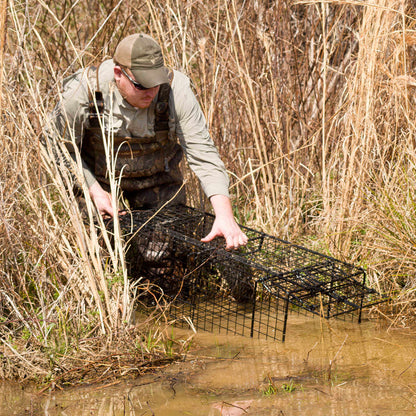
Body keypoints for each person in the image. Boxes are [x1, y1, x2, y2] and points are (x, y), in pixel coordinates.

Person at [47, 33, 247, 251]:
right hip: (97, 178)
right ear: (118, 74)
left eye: (156, 83)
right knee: (100, 249)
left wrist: (225, 215)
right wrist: (93, 189)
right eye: (142, 85)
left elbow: (204, 154)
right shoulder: (82, 91)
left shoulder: (175, 89)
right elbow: (56, 146)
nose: (152, 92)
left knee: (162, 254)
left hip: (156, 180)